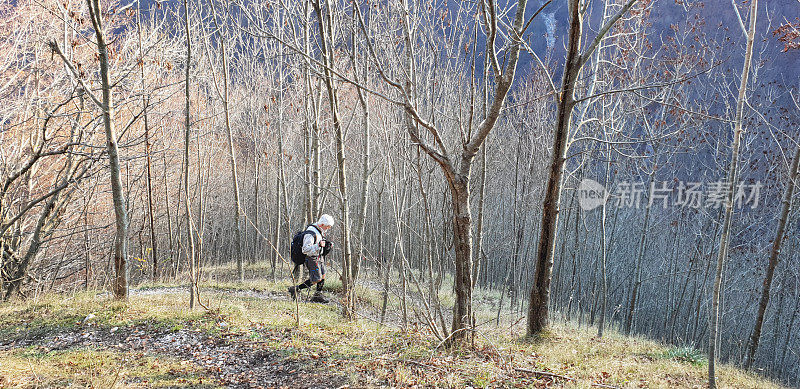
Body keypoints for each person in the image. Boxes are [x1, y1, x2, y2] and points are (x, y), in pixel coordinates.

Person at [288, 214, 333, 303]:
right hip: (311, 258)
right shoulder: (310, 233)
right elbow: (305, 250)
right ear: (323, 224)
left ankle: (317, 296)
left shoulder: (319, 229)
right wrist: (318, 245)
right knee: (316, 279)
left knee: (323, 275)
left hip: (318, 256)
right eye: (328, 226)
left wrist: (327, 245)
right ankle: (295, 289)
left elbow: (319, 242)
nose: (328, 228)